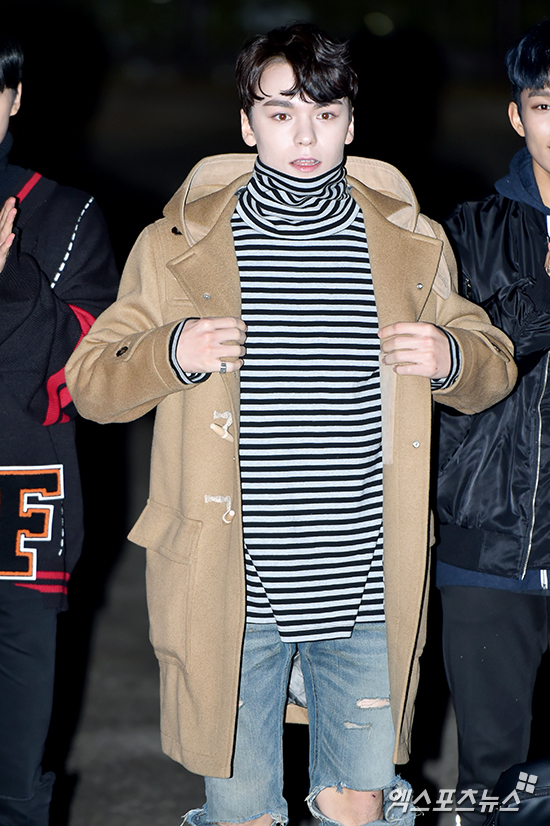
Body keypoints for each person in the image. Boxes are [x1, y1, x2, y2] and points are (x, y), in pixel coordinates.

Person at [66, 22, 515, 826]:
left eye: (324, 114)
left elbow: (491, 366)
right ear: (247, 124)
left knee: (360, 806)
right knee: (244, 812)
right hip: (234, 589)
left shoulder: (411, 242)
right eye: (280, 114)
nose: (304, 137)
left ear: (351, 121)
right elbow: (92, 384)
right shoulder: (177, 246)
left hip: (366, 580)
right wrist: (171, 352)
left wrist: (451, 356)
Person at [0, 34, 118, 826]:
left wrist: (9, 282)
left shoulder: (66, 214)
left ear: (12, 99)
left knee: (13, 769)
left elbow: (73, 381)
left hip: (19, 505)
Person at [436, 19, 550, 826]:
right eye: (546, 105)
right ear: (517, 116)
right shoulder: (465, 234)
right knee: (491, 780)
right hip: (490, 544)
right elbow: (454, 368)